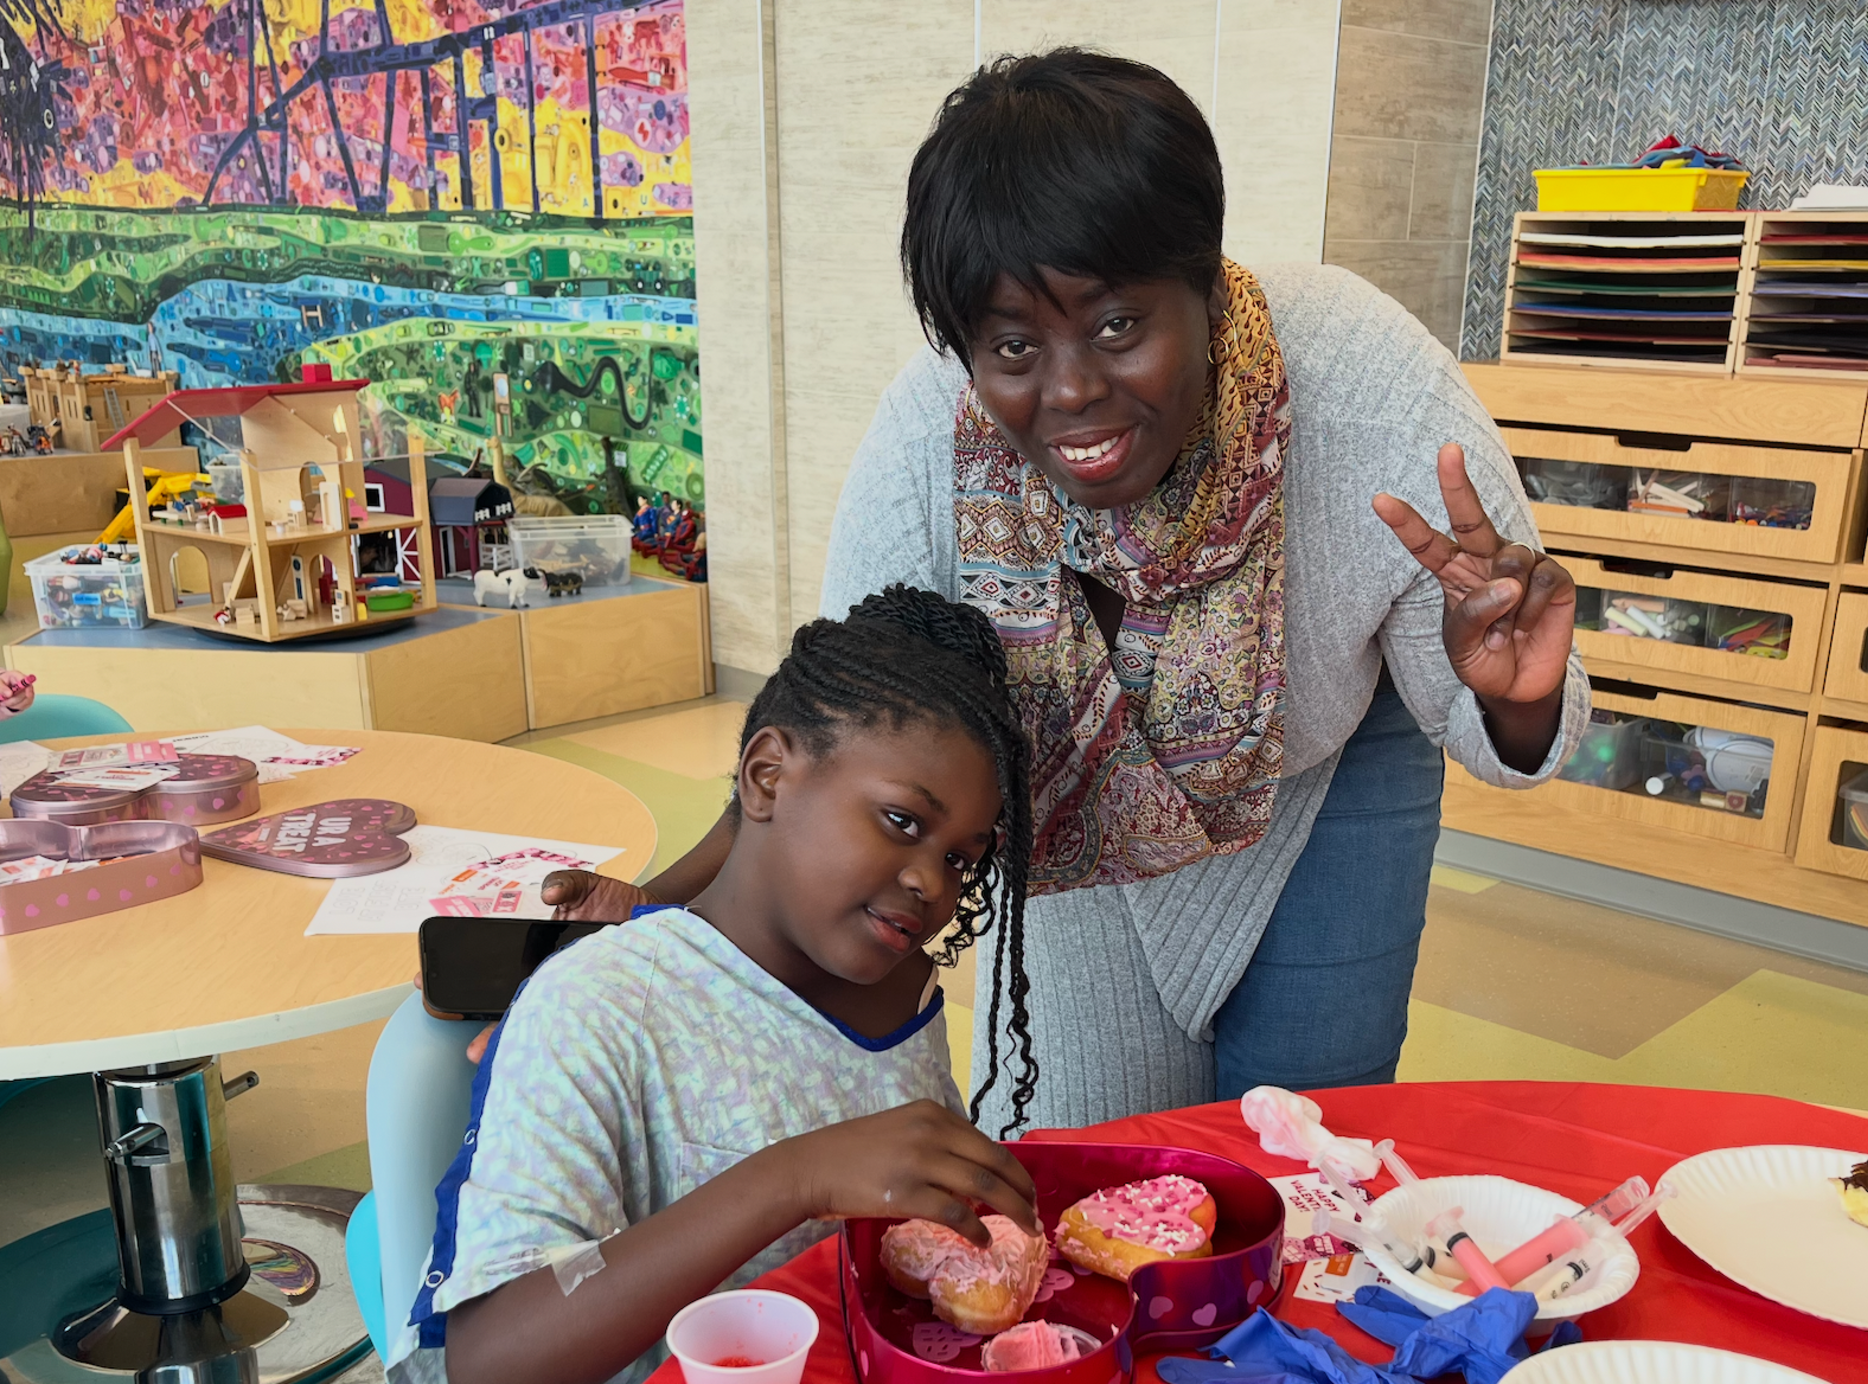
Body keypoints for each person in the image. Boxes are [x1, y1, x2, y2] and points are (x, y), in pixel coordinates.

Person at [543, 50, 1589, 1131]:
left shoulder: (1374, 390)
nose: (1073, 390)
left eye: (1117, 325)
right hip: (1070, 794)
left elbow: (1508, 722)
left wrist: (1513, 692)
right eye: (1012, 345)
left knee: (1302, 1148)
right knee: (1081, 1154)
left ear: (1205, 283)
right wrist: (663, 908)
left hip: (1321, 773)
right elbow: (826, 743)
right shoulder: (930, 440)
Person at [393, 587, 1044, 1384]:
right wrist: (794, 1177)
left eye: (959, 858)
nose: (929, 883)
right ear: (768, 777)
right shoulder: (604, 1004)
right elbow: (491, 1360)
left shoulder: (901, 987)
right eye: (903, 822)